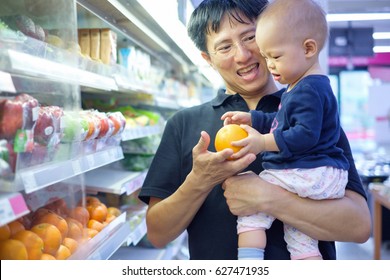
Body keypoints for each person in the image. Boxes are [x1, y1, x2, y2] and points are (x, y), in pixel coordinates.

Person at [138, 0, 371, 260]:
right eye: (225, 47)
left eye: (249, 37)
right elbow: (158, 234)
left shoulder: (311, 112)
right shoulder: (183, 124)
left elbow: (359, 226)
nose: (243, 55)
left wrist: (269, 199)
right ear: (208, 59)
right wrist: (200, 180)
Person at [221, 0, 348, 260]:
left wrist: (263, 143)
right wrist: (253, 119)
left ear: (309, 48)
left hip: (312, 171)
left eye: (276, 56)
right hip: (318, 173)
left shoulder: (309, 89)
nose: (270, 65)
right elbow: (282, 121)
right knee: (300, 235)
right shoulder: (302, 85)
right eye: (266, 57)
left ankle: (249, 264)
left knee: (252, 204)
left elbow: (304, 135)